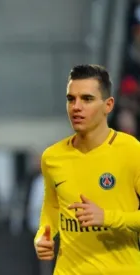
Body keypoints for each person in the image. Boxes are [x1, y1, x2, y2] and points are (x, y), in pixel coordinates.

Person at [34, 64, 140, 274]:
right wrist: (43, 235)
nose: (76, 107)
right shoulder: (52, 157)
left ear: (108, 105)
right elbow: (52, 207)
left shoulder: (132, 151)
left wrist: (108, 217)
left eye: (87, 99)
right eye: (71, 99)